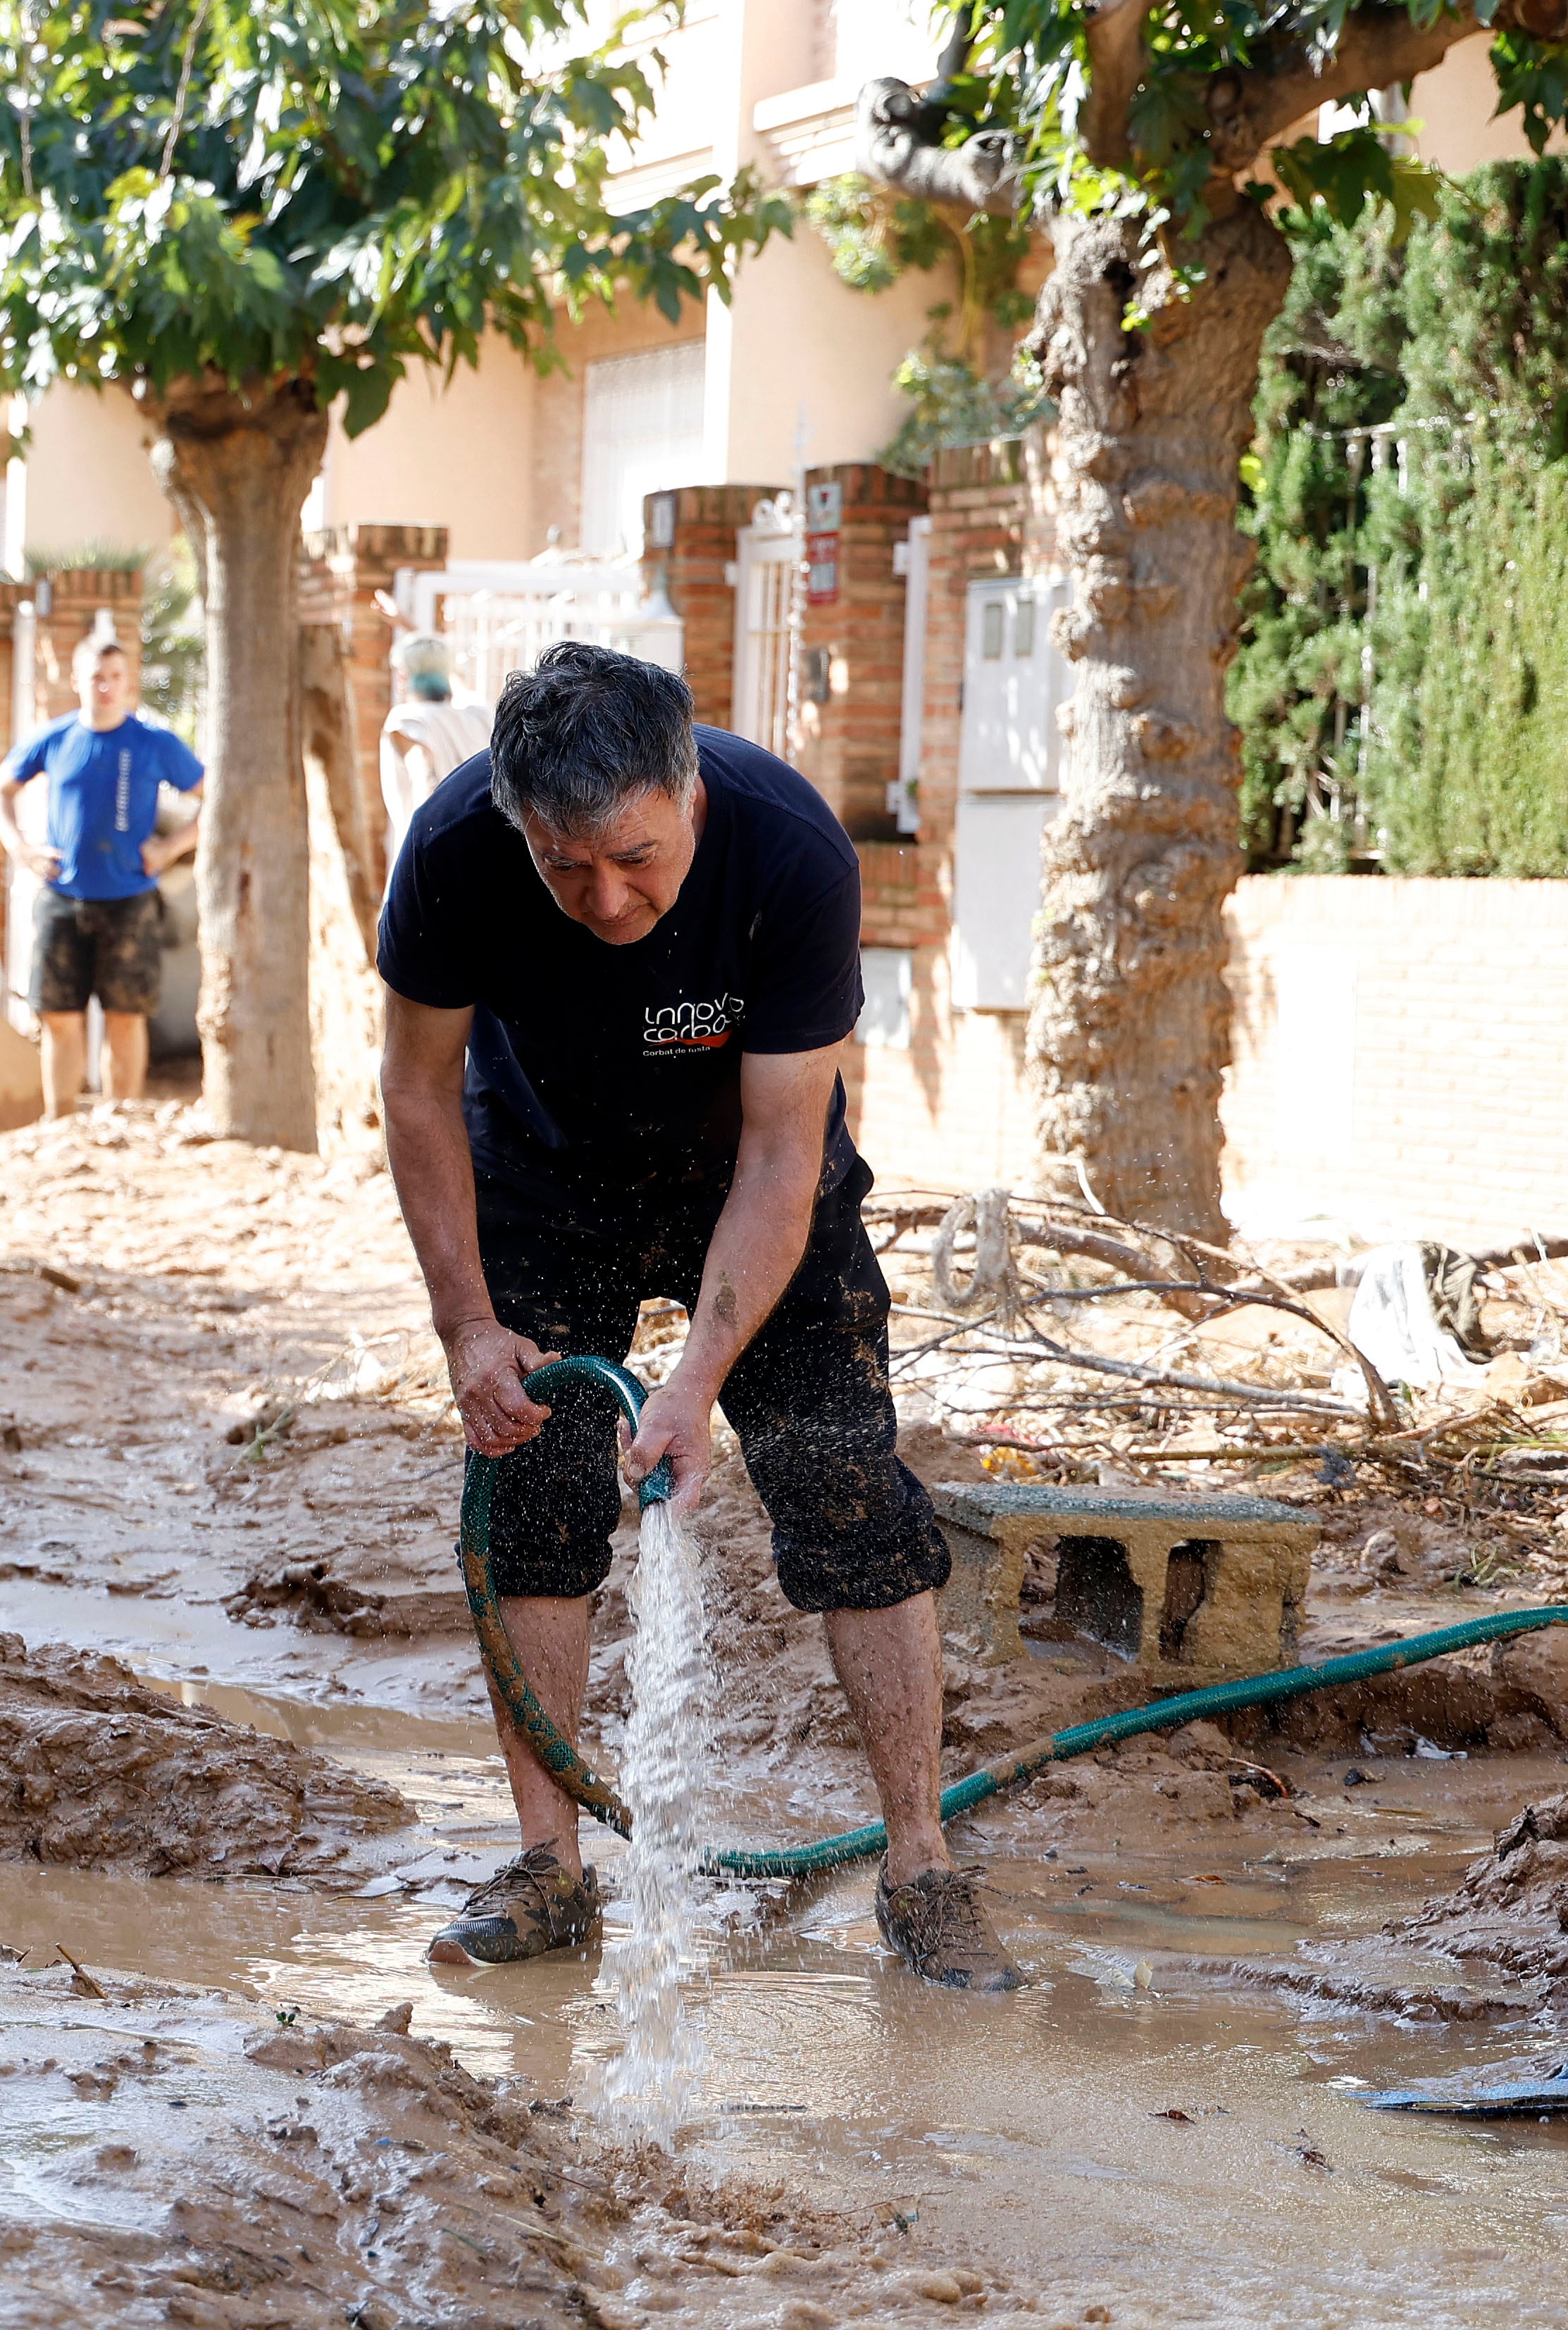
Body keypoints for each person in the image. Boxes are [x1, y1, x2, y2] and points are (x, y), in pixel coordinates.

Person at [376, 640, 1015, 1991]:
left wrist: (695, 1374)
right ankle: (550, 1866)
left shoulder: (788, 849)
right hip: (544, 1182)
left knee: (844, 1481)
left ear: (688, 792)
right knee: (533, 1489)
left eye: (635, 857)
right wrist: (465, 1328)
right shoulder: (450, 851)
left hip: (751, 1176)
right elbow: (418, 1089)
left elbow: (785, 1154)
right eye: (565, 865)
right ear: (512, 822)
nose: (605, 897)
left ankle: (919, 1866)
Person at [0, 632, 204, 1120]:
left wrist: (169, 847)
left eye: (116, 677)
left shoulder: (153, 743)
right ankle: (60, 1125)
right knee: (59, 1018)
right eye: (97, 677)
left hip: (130, 901)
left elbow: (215, 796)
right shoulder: (55, 738)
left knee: (126, 1019)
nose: (107, 687)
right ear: (77, 680)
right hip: (63, 897)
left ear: (128, 683)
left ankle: (118, 1125)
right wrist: (21, 848)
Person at [379, 628, 492, 863]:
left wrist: (425, 847)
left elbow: (424, 779)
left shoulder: (408, 720)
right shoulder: (477, 714)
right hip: (481, 850)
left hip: (432, 853)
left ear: (404, 675)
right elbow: (456, 678)